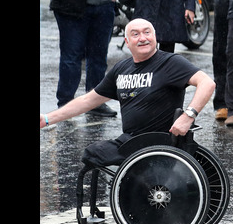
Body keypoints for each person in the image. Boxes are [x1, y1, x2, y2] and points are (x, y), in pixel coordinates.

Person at [40, 18, 216, 168]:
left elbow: (207, 83)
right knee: (91, 154)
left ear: (155, 36)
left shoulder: (170, 63)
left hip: (160, 142)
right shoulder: (121, 69)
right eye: (136, 34)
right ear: (127, 40)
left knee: (96, 155)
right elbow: (88, 101)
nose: (143, 38)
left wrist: (188, 116)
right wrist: (47, 119)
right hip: (131, 142)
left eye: (147, 32)